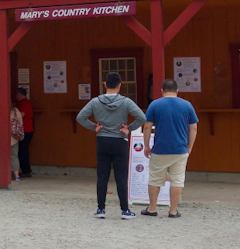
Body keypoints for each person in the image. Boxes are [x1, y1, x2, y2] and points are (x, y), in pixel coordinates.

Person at [76, 72, 146, 220]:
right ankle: (125, 210)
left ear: (105, 85)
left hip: (102, 140)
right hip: (120, 140)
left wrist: (94, 126)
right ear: (120, 86)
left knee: (102, 176)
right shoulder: (126, 102)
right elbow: (142, 117)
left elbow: (80, 117)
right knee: (121, 177)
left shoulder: (95, 102)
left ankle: (101, 209)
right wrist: (129, 128)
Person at [142, 78, 199, 218]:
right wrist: (189, 146)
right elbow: (194, 128)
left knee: (155, 179)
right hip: (180, 149)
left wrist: (146, 145)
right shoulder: (187, 105)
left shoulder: (155, 105)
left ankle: (152, 208)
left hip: (160, 149)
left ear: (161, 91)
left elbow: (147, 126)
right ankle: (173, 211)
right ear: (177, 91)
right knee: (177, 180)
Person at [0, 100, 23, 182]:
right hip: (13, 137)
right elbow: (20, 122)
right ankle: (17, 175)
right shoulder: (16, 110)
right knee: (14, 156)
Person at [15, 88, 35, 177]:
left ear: (19, 94)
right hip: (27, 129)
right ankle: (26, 170)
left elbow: (21, 114)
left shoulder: (23, 103)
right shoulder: (25, 102)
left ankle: (26, 171)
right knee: (23, 151)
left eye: (16, 94)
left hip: (25, 130)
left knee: (23, 151)